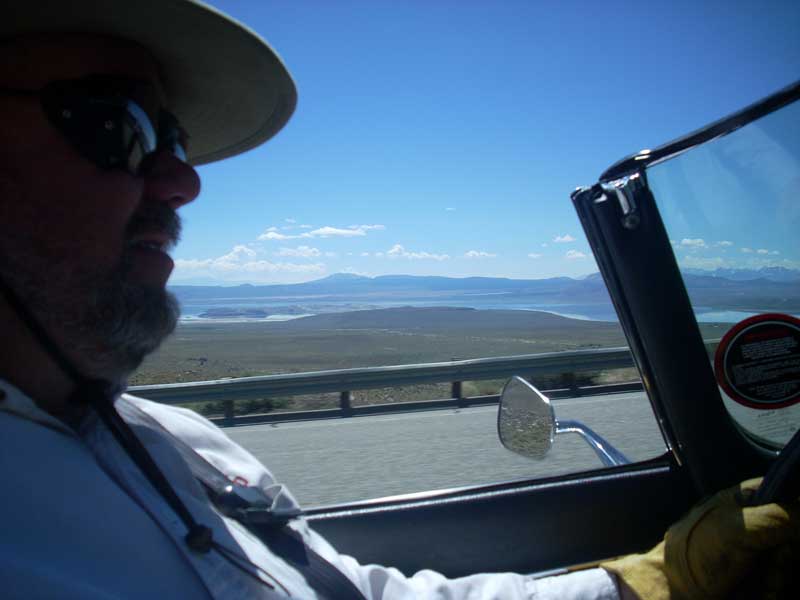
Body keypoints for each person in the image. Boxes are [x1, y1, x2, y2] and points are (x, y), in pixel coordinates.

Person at [0, 2, 796, 599]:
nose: (183, 180)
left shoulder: (175, 440)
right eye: (118, 125)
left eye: (171, 138)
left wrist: (643, 582)